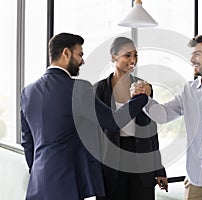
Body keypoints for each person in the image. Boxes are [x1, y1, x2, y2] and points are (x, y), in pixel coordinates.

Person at [20, 33, 148, 200]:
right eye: (79, 54)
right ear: (66, 53)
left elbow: (27, 142)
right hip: (67, 183)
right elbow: (114, 121)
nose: (83, 61)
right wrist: (141, 97)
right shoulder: (78, 89)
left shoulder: (28, 92)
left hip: (38, 183)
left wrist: (39, 170)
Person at [131, 34, 202, 200]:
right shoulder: (189, 90)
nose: (192, 60)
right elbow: (164, 114)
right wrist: (145, 98)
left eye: (197, 54)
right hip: (194, 181)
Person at [94, 37, 167, 200]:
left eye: (135, 55)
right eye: (127, 55)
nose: (133, 60)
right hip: (111, 162)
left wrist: (159, 169)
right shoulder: (98, 90)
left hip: (141, 159)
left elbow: (151, 130)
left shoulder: (143, 87)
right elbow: (95, 135)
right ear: (114, 57)